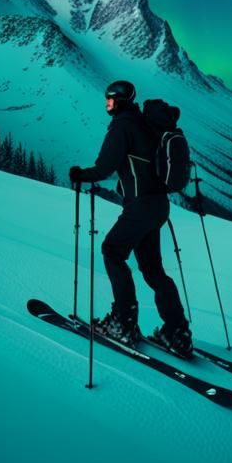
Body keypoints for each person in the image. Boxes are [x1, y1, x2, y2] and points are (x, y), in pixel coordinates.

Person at [69, 81, 193, 358]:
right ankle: (177, 332)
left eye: (110, 100)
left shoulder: (123, 125)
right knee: (152, 270)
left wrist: (80, 175)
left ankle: (123, 323)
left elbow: (105, 166)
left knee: (112, 252)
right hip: (158, 205)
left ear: (122, 101)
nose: (107, 104)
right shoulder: (145, 122)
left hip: (140, 206)